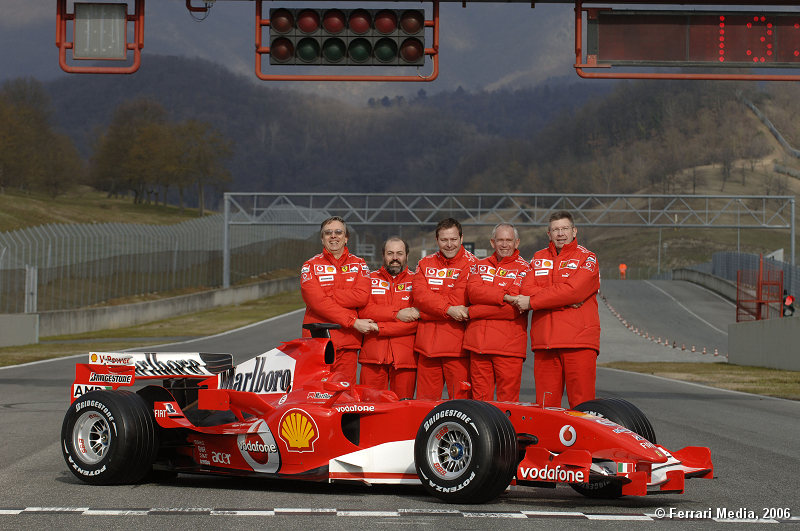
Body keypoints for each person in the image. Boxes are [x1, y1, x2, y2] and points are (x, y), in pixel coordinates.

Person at [509, 211, 600, 408]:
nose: (560, 234)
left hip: (578, 341)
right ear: (548, 234)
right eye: (556, 230)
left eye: (565, 228)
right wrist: (563, 297)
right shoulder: (538, 257)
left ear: (574, 231)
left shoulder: (588, 258)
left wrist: (535, 301)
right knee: (546, 408)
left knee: (583, 406)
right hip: (545, 343)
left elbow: (574, 291)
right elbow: (525, 289)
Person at [463, 223, 531, 402]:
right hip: (478, 345)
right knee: (479, 403)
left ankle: (507, 432)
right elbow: (473, 293)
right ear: (492, 242)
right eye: (500, 240)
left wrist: (474, 311)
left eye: (509, 240)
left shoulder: (526, 268)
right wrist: (504, 296)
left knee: (507, 404)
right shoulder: (479, 265)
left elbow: (513, 310)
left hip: (509, 348)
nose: (504, 244)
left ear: (517, 243)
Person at [300, 216, 371, 384]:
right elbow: (316, 302)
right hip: (317, 342)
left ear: (346, 238)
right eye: (328, 233)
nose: (333, 236)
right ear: (322, 239)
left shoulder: (360, 264)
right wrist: (352, 321)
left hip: (348, 343)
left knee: (346, 397)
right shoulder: (309, 266)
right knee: (315, 393)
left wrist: (328, 294)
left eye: (339, 232)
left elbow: (362, 296)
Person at [412, 218, 477, 399]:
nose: (449, 245)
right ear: (437, 240)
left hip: (457, 349)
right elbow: (419, 297)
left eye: (453, 239)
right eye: (444, 240)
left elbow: (459, 298)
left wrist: (424, 312)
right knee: (425, 407)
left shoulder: (473, 264)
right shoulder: (425, 263)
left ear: (461, 238)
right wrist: (449, 310)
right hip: (427, 348)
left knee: (461, 406)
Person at [357, 237, 419, 399]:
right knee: (368, 408)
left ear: (407, 255)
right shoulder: (368, 279)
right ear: (383, 255)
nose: (395, 258)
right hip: (373, 356)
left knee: (403, 411)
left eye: (400, 253)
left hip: (405, 359)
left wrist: (379, 327)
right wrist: (397, 314)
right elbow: (364, 311)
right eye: (390, 253)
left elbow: (416, 322)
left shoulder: (417, 281)